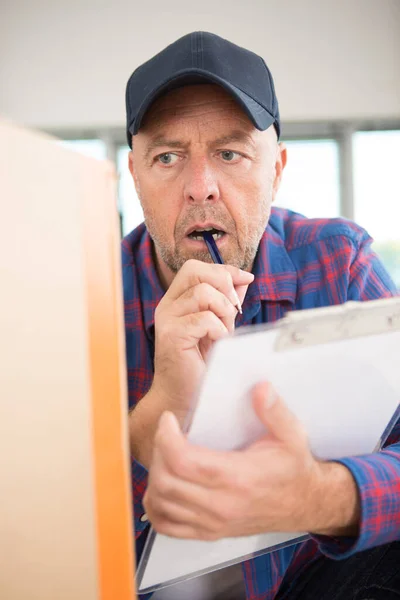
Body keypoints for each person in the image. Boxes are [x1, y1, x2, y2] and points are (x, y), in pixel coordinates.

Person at [122, 31, 400, 600]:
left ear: (276, 170)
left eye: (230, 154)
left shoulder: (339, 262)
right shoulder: (80, 299)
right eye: (168, 157)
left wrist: (321, 495)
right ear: (135, 176)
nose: (201, 189)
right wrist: (150, 426)